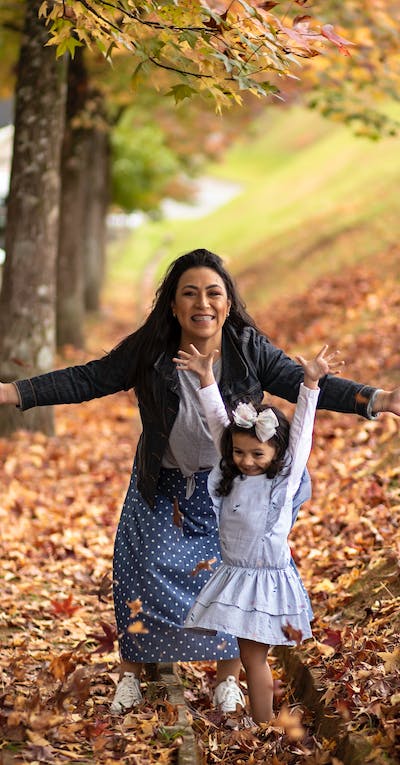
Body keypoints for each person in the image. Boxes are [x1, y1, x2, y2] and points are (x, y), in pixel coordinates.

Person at [0, 248, 399, 716]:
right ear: (174, 304)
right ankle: (132, 671)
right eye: (189, 293)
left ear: (227, 303)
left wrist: (378, 398)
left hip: (229, 492)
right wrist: (15, 392)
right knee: (140, 571)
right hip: (161, 483)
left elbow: (300, 382)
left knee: (230, 582)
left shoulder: (247, 348)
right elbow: (91, 378)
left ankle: (227, 679)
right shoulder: (151, 347)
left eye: (213, 293)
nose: (202, 302)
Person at [173, 342, 339, 724]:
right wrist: (205, 378)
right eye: (240, 453)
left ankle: (265, 726)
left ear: (276, 455)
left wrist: (309, 385)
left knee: (253, 657)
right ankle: (255, 718)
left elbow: (301, 436)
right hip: (237, 575)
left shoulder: (281, 482)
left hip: (265, 581)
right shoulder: (232, 473)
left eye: (257, 455)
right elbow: (218, 424)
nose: (246, 461)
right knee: (245, 653)